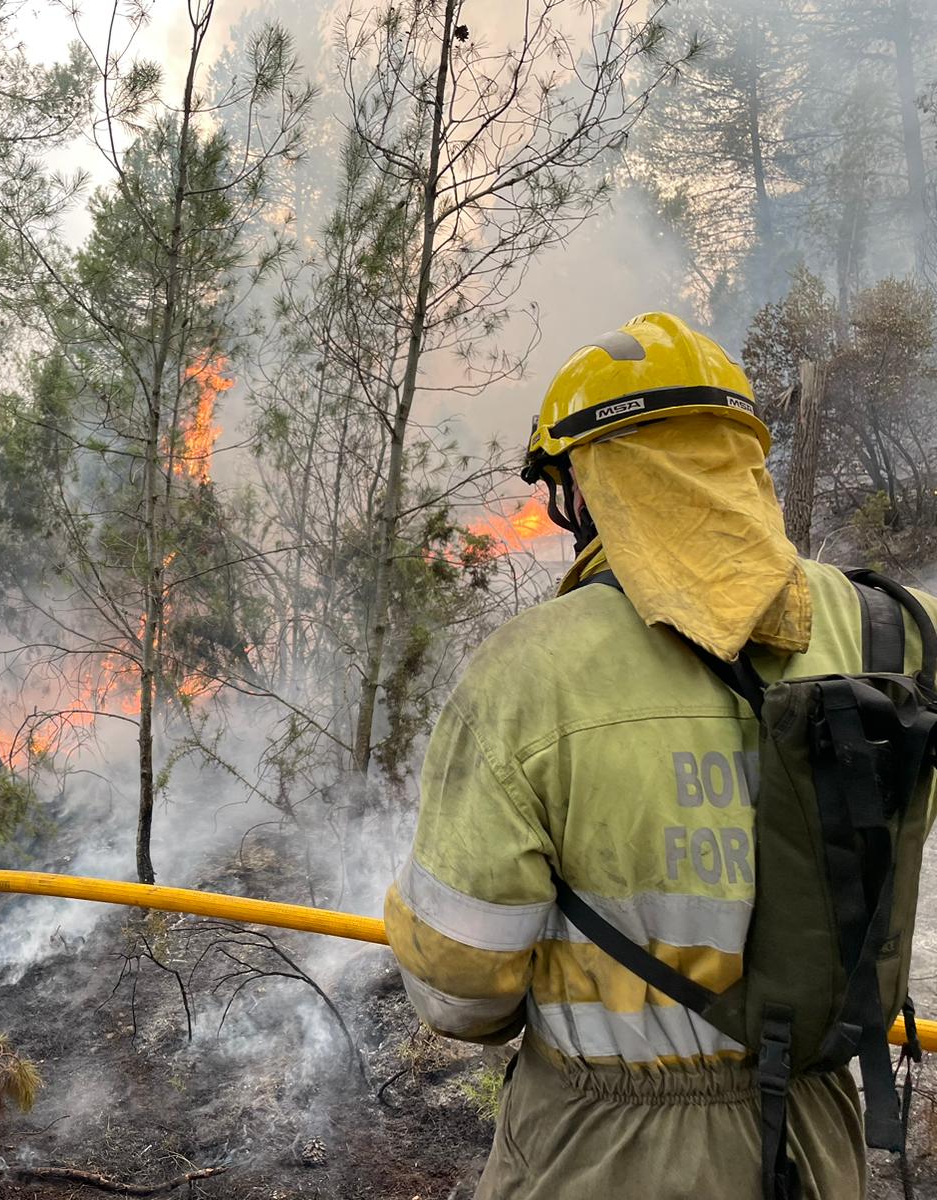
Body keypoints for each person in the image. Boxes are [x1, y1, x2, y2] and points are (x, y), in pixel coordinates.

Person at [383, 313, 937, 1198]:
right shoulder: (895, 631)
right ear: (742, 458)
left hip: (599, 1151)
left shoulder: (529, 671)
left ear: (582, 481)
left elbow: (459, 987)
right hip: (819, 1144)